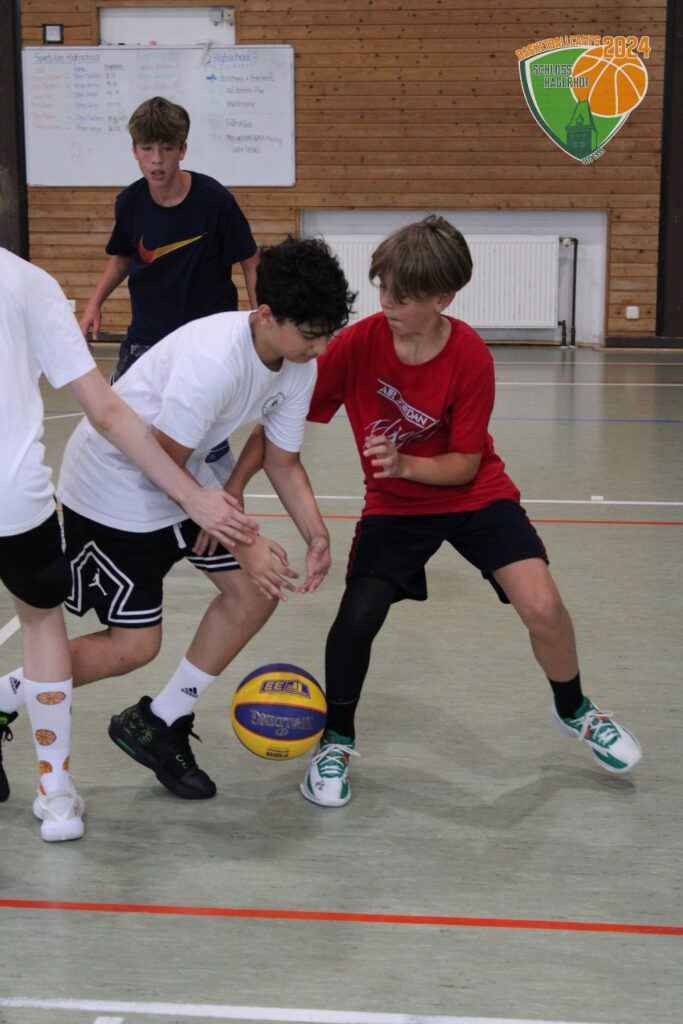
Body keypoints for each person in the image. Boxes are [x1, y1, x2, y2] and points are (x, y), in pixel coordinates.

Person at [292, 216, 642, 807]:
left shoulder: (470, 355)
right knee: (356, 618)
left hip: (474, 494)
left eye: (403, 296)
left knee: (544, 606)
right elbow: (289, 407)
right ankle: (336, 740)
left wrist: (404, 463)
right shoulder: (357, 344)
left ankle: (575, 710)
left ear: (443, 299)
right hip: (395, 507)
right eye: (382, 288)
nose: (386, 302)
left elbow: (463, 463)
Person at [0, 236, 355, 804]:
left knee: (255, 592)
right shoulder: (215, 360)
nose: (322, 347)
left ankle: (160, 721)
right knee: (134, 646)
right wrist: (242, 538)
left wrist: (316, 533)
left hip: (183, 475)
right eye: (312, 335)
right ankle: (2, 698)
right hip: (117, 486)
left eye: (328, 334)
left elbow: (283, 461)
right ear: (267, 315)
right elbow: (164, 458)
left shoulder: (296, 364)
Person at [0, 247, 258, 840]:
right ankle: (56, 796)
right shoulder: (29, 282)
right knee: (41, 625)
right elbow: (107, 413)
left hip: (38, 494)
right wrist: (193, 495)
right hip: (14, 495)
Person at [79, 96, 259, 388]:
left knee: (202, 416)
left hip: (207, 341)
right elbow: (122, 258)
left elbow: (250, 262)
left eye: (167, 148)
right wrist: (94, 304)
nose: (157, 159)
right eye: (147, 148)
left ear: (182, 149)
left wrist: (261, 320)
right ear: (134, 150)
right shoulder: (129, 203)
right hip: (147, 339)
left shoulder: (216, 202)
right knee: (119, 413)